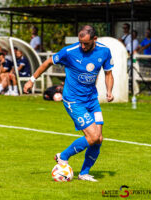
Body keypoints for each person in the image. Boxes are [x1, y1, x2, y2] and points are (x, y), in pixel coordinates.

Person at [24, 25, 114, 182]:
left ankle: (84, 173)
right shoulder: (69, 51)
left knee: (99, 139)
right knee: (92, 136)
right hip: (74, 100)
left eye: (86, 43)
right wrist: (32, 80)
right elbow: (48, 62)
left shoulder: (104, 51)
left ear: (94, 39)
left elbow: (108, 73)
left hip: (92, 100)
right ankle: (63, 156)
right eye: (80, 42)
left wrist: (109, 91)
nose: (83, 46)